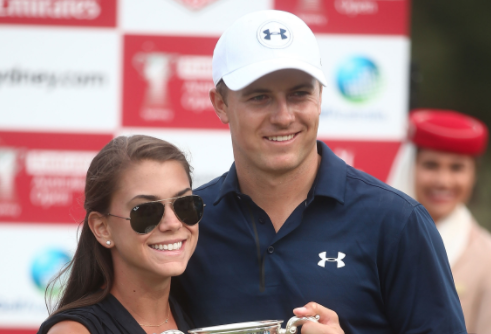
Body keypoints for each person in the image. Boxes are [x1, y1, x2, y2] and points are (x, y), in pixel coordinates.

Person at [171, 10, 466, 334]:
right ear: (220, 104)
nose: (283, 117)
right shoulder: (185, 223)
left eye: (299, 93)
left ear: (321, 95)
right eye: (260, 97)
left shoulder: (397, 221)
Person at [38, 135, 205, 334]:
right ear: (102, 228)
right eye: (147, 211)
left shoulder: (201, 316)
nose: (173, 223)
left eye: (184, 205)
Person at [408, 109, 491, 334]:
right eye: (431, 165)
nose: (443, 181)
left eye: (457, 168)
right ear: (411, 166)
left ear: (474, 174)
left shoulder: (486, 256)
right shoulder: (380, 235)